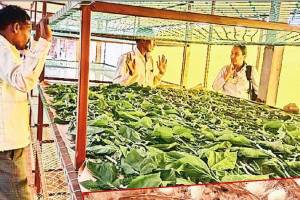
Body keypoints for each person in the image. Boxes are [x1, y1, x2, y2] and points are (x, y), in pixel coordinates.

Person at [0, 5, 52, 200]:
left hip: (7, 139)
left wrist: (36, 44)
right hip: (7, 144)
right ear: (15, 28)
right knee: (18, 193)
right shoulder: (1, 48)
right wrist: (45, 42)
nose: (29, 38)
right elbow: (22, 80)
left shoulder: (7, 49)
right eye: (28, 31)